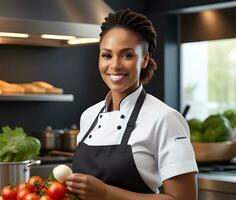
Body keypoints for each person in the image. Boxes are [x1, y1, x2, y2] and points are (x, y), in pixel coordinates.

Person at [65, 8, 198, 200]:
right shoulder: (89, 116)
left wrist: (105, 193)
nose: (115, 65)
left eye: (127, 55)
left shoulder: (165, 119)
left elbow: (184, 198)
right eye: (107, 55)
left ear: (144, 59)